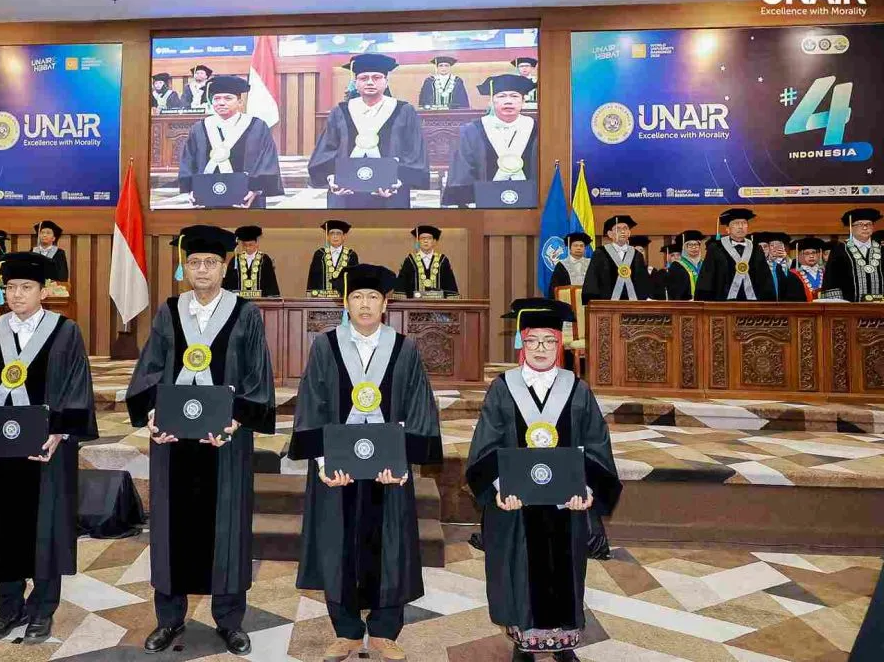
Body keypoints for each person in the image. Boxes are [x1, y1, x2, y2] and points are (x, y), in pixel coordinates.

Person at [126, 225, 276, 656]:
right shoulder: (169, 311)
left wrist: (238, 419)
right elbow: (151, 367)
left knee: (227, 526)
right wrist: (151, 413)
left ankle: (229, 621)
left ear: (225, 268)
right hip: (174, 439)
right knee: (170, 527)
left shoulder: (245, 313)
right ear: (185, 268)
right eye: (195, 262)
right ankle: (168, 619)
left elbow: (258, 375)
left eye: (211, 262)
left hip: (224, 440)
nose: (203, 269)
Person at [289, 264, 442, 662]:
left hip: (387, 470)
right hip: (338, 468)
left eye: (373, 297)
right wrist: (323, 460)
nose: (365, 304)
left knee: (390, 543)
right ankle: (346, 631)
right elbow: (312, 402)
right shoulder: (326, 346)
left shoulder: (404, 348)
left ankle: (386, 630)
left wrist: (404, 461)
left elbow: (419, 406)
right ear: (346, 302)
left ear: (385, 304)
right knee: (336, 542)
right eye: (357, 297)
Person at [465, 298, 621, 662]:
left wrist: (587, 490)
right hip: (517, 505)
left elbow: (597, 442)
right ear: (522, 342)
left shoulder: (577, 389)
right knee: (519, 571)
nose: (540, 348)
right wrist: (500, 489)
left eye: (549, 341)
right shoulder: (503, 387)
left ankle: (563, 643)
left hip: (566, 505)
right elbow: (485, 443)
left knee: (566, 570)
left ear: (559, 344)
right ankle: (524, 642)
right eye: (533, 340)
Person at [0, 251, 97, 644]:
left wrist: (59, 433)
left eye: (26, 287)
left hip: (45, 449)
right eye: (11, 287)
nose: (17, 294)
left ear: (43, 291)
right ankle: (9, 608)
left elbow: (77, 387)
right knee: (2, 529)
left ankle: (42, 610)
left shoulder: (65, 332)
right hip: (0, 451)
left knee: (45, 527)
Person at [308, 53, 428, 209]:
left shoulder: (404, 110)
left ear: (386, 81)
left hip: (390, 191)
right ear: (355, 82)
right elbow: (327, 148)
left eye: (376, 77)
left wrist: (398, 180)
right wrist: (332, 178)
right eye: (364, 78)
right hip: (346, 192)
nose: (370, 82)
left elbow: (414, 150)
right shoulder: (341, 111)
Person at [177, 75, 284, 209]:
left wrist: (256, 189)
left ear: (240, 102)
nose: (221, 103)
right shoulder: (199, 128)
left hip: (246, 197)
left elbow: (267, 160)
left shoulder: (257, 126)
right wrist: (191, 188)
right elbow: (188, 159)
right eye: (216, 98)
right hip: (207, 198)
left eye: (228, 98)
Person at [442, 74, 538, 206]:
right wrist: (470, 202)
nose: (508, 101)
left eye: (514, 96)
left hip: (531, 202)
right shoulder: (471, 131)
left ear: (523, 101)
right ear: (492, 101)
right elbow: (463, 170)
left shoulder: (538, 129)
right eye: (501, 96)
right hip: (484, 204)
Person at [695, 208, 775, 302]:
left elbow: (765, 279)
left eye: (744, 223)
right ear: (727, 229)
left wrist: (768, 301)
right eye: (736, 223)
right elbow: (707, 278)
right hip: (723, 302)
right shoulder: (716, 248)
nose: (741, 227)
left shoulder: (756, 249)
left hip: (752, 303)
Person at [581, 215, 650, 304]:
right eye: (618, 229)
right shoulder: (600, 253)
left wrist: (644, 299)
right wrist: (591, 301)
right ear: (610, 234)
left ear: (629, 233)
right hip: (606, 302)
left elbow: (643, 281)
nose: (622, 231)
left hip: (633, 303)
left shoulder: (637, 255)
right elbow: (592, 278)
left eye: (625, 228)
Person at [822, 208, 884, 302]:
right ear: (851, 227)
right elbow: (832, 281)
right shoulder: (840, 250)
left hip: (880, 307)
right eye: (860, 224)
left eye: (869, 224)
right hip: (849, 307)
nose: (865, 228)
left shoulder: (881, 250)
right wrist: (838, 306)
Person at [396, 225, 459, 297]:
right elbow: (402, 285)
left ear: (434, 241)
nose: (425, 241)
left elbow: (450, 285)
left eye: (429, 238)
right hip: (414, 303)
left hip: (438, 303)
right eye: (422, 238)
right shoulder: (410, 260)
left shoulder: (443, 261)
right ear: (418, 241)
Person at [222, 225, 280, 297]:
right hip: (240, 300)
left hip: (260, 300)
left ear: (256, 243)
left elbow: (270, 283)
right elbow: (229, 282)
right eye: (245, 245)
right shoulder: (236, 260)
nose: (247, 248)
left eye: (250, 245)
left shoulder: (264, 259)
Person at [307, 220, 359, 295]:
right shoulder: (320, 254)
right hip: (322, 299)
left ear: (344, 236)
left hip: (344, 299)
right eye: (332, 233)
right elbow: (313, 279)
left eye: (338, 233)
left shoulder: (351, 255)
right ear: (327, 236)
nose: (335, 236)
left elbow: (355, 280)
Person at [762, 232, 805, 302]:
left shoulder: (794, 264)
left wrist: (785, 259)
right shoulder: (763, 266)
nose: (775, 248)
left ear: (785, 248)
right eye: (772, 245)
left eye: (779, 245)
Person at [664, 230, 706, 300]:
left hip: (704, 302)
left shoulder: (705, 264)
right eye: (690, 245)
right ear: (684, 248)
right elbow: (675, 290)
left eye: (696, 244)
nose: (694, 247)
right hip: (685, 303)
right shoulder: (677, 266)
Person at [791, 237, 826, 301]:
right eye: (807, 253)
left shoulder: (825, 272)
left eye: (814, 252)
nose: (811, 256)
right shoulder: (793, 274)